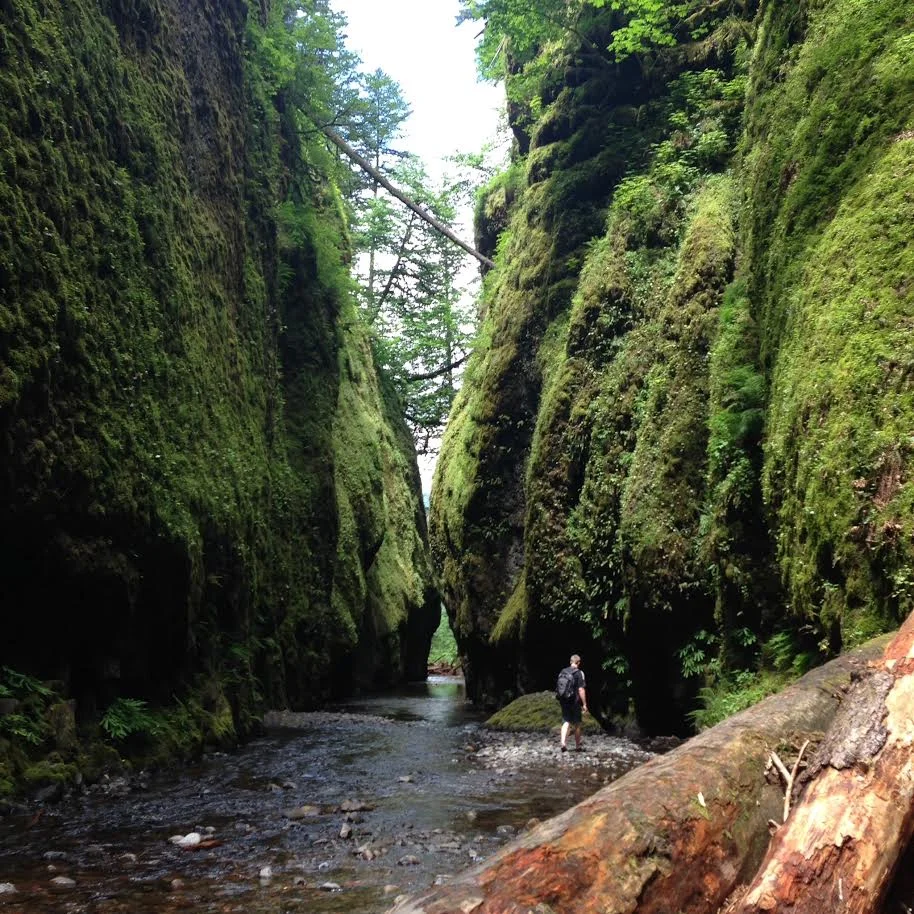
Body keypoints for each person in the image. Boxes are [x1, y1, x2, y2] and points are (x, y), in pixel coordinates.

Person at [559, 654, 588, 752]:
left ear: (570, 662)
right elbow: (581, 689)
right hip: (574, 701)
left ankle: (563, 743)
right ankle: (577, 746)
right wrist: (584, 704)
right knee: (577, 723)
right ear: (578, 663)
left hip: (563, 700)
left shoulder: (563, 671)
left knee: (566, 721)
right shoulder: (579, 673)